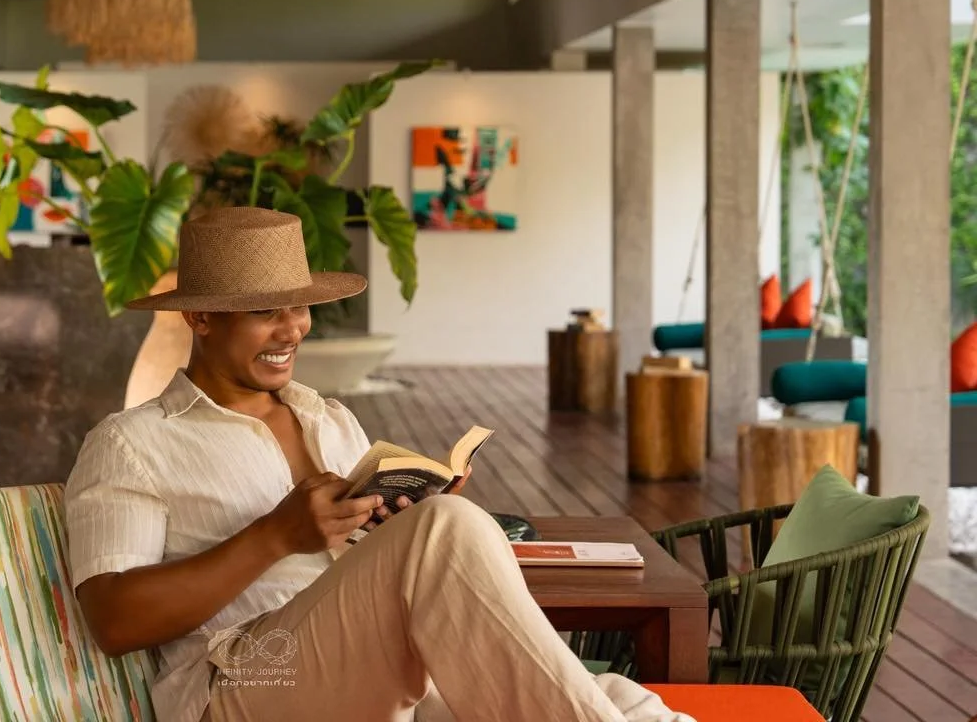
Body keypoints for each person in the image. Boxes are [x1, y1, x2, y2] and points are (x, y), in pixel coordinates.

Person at [65, 207, 693, 722]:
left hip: (378, 672)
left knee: (622, 700)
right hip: (248, 683)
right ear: (199, 316)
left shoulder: (329, 418)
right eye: (264, 312)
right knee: (446, 529)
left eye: (299, 307)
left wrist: (399, 523)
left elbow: (369, 572)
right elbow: (113, 619)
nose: (292, 330)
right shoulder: (132, 442)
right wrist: (275, 536)